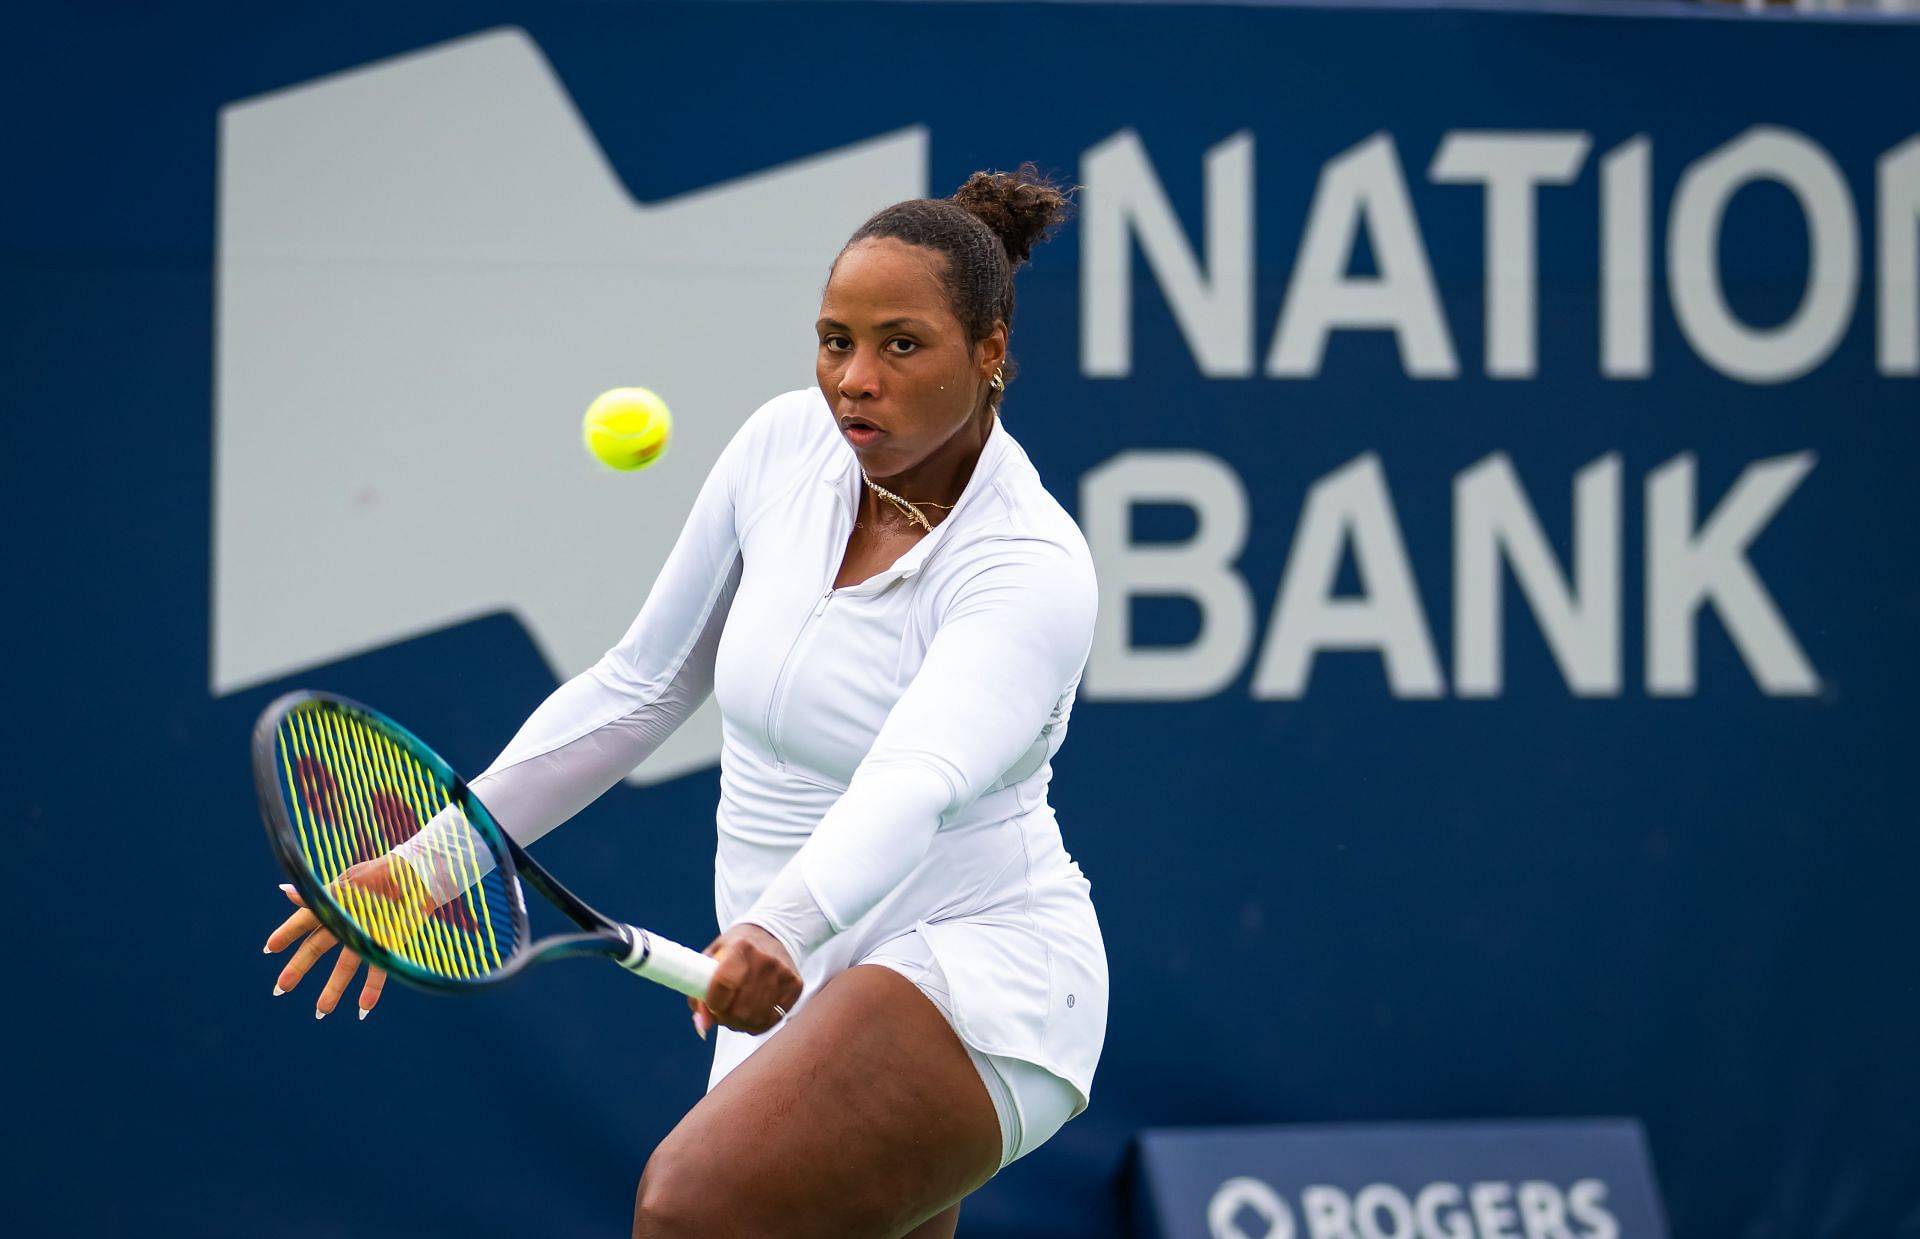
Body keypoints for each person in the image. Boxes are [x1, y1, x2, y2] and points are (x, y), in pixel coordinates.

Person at [265, 165, 1107, 1239]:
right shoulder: (779, 449)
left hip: (974, 975)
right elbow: (641, 687)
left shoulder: (1027, 564)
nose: (853, 378)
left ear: (990, 353)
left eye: (901, 345)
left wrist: (783, 926)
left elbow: (918, 778)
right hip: (789, 990)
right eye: (834, 340)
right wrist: (437, 861)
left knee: (690, 1207)